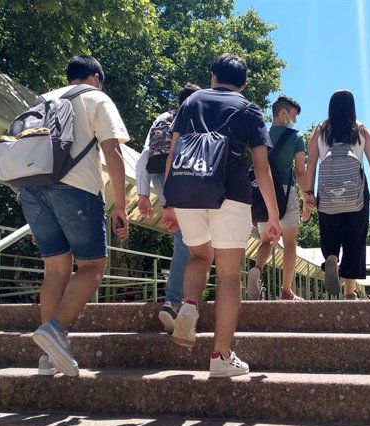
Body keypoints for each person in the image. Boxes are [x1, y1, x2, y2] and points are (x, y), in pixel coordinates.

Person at [162, 53, 282, 378]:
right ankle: (221, 356)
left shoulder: (191, 102)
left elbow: (173, 152)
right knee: (229, 275)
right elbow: (262, 168)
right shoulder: (249, 109)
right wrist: (272, 216)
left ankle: (188, 305)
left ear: (212, 75)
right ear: (243, 83)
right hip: (231, 193)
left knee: (199, 257)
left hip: (187, 192)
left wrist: (169, 201)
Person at [17, 55, 130, 376]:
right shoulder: (96, 97)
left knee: (55, 269)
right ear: (95, 78)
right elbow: (113, 151)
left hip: (31, 189)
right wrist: (120, 205)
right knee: (92, 266)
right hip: (77, 190)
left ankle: (48, 359)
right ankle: (56, 330)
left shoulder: (42, 99)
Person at [304, 89, 370, 300]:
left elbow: (310, 163)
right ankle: (349, 291)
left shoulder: (320, 132)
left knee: (329, 232)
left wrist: (309, 193)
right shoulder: (361, 130)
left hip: (328, 193)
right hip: (356, 193)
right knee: (354, 239)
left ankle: (331, 256)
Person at [136, 83, 201, 332]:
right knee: (188, 239)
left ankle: (177, 301)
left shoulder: (163, 118)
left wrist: (143, 194)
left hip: (159, 177)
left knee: (182, 237)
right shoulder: (198, 117)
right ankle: (174, 301)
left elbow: (144, 154)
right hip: (188, 176)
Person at [247, 95, 307, 301]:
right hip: (285, 192)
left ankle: (257, 268)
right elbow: (300, 172)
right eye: (293, 115)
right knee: (290, 243)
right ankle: (286, 291)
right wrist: (307, 196)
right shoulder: (297, 137)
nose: (295, 121)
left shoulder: (261, 135)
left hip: (263, 192)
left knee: (267, 240)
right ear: (283, 113)